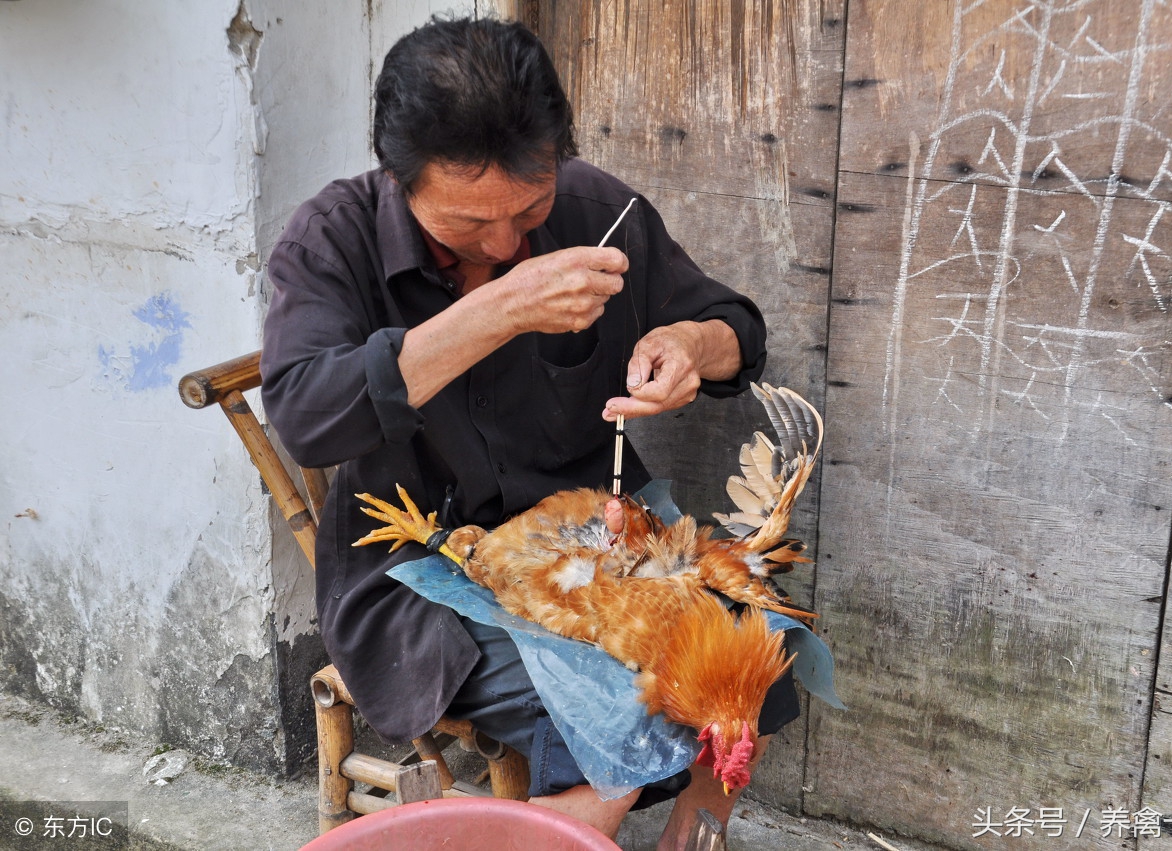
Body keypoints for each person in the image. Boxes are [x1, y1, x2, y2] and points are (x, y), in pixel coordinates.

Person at [260, 16, 797, 847]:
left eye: (531, 206)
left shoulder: (595, 208)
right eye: (469, 225)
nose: (506, 242)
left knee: (758, 637)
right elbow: (303, 413)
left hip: (595, 542)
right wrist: (497, 310)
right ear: (401, 180)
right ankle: (556, 829)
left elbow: (735, 328)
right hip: (421, 568)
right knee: (609, 692)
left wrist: (692, 346)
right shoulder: (334, 238)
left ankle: (692, 826)